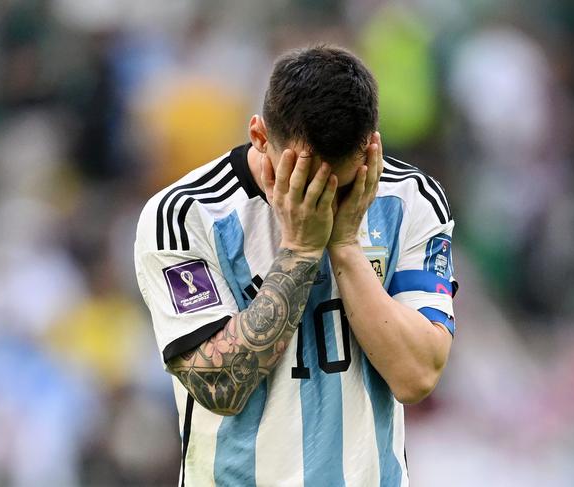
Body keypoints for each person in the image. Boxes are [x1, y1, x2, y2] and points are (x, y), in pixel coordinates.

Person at [134, 45, 457, 487]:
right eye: (305, 179)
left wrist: (343, 245)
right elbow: (220, 387)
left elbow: (417, 375)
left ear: (370, 148)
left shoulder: (411, 200)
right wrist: (301, 251)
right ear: (261, 137)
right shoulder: (186, 215)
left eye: (340, 186)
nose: (322, 199)